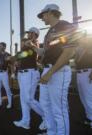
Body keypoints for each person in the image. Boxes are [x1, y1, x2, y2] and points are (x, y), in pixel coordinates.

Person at [30, 4, 77, 135]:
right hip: (48, 70)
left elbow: (69, 52)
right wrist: (34, 47)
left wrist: (50, 72)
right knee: (45, 104)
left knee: (58, 109)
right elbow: (44, 52)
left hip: (58, 71)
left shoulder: (64, 25)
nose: (42, 18)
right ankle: (51, 132)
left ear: (51, 13)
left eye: (43, 15)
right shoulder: (49, 32)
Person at [12, 27, 46, 130]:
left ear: (35, 34)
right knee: (24, 99)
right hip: (23, 73)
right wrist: (17, 60)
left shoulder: (34, 43)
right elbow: (21, 56)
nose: (28, 35)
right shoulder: (27, 44)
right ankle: (25, 121)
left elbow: (34, 52)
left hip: (30, 73)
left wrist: (16, 57)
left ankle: (46, 117)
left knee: (28, 99)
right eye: (28, 33)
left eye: (30, 33)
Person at [75, 37, 92, 129]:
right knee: (83, 98)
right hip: (79, 74)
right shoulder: (79, 48)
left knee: (89, 98)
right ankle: (89, 118)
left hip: (88, 73)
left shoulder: (90, 46)